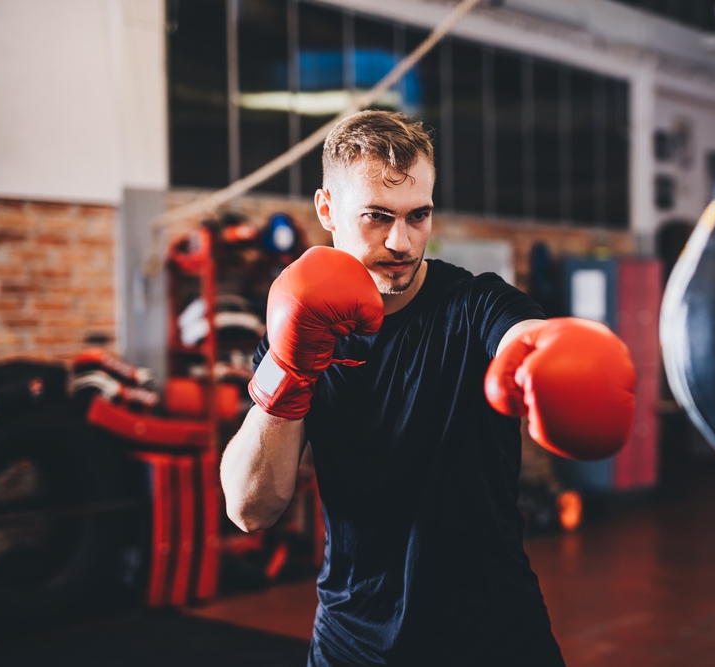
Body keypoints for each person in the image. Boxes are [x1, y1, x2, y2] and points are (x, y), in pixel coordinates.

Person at [220, 110, 636, 667]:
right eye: (376, 217)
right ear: (327, 210)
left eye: (419, 216)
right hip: (354, 642)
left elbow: (522, 329)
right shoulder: (299, 328)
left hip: (495, 638)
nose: (402, 241)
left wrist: (549, 350)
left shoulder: (475, 303)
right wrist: (288, 374)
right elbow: (250, 508)